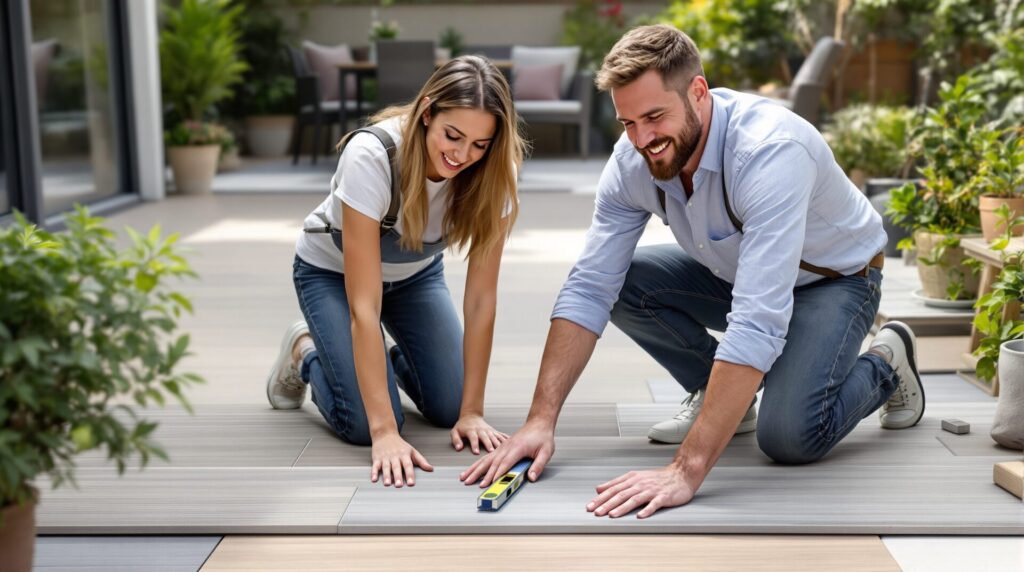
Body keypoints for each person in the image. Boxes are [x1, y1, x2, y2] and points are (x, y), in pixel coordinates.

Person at [460, 25, 924, 518]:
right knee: (622, 284)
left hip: (835, 282)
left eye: (655, 116)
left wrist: (686, 469)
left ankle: (887, 362)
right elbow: (590, 285)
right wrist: (540, 420)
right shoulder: (632, 158)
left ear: (698, 93)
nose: (642, 139)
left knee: (790, 437)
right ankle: (723, 400)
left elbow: (757, 322)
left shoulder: (769, 152)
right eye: (627, 123)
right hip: (736, 274)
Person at [266, 55, 526, 488]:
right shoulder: (371, 154)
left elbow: (481, 300)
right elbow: (364, 307)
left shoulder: (498, 171)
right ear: (427, 113)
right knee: (362, 425)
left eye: (480, 144)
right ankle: (307, 351)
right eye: (452, 135)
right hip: (331, 275)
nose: (463, 155)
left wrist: (472, 411)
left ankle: (367, 363)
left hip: (415, 277)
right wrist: (385, 432)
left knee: (449, 406)